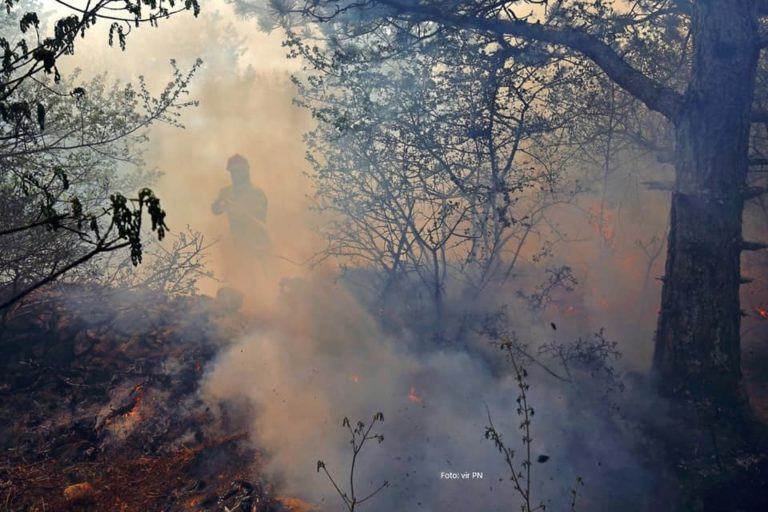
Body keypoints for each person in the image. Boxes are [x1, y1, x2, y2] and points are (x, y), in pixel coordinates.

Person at [211, 154, 270, 258]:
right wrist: (219, 205)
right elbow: (216, 210)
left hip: (256, 243)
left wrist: (240, 210)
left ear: (246, 171)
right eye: (233, 172)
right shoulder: (226, 192)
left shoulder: (256, 192)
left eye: (239, 171)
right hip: (235, 241)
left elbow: (260, 217)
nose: (236, 175)